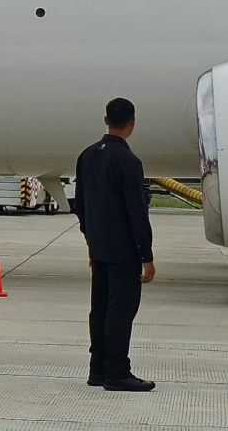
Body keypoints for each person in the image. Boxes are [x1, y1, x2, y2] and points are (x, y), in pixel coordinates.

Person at [74, 97, 156, 392]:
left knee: (100, 309)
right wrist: (146, 254)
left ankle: (98, 369)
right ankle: (117, 372)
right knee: (120, 311)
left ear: (105, 120)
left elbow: (80, 206)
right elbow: (136, 211)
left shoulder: (88, 155)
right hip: (123, 252)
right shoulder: (128, 161)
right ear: (131, 124)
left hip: (100, 248)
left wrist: (91, 243)